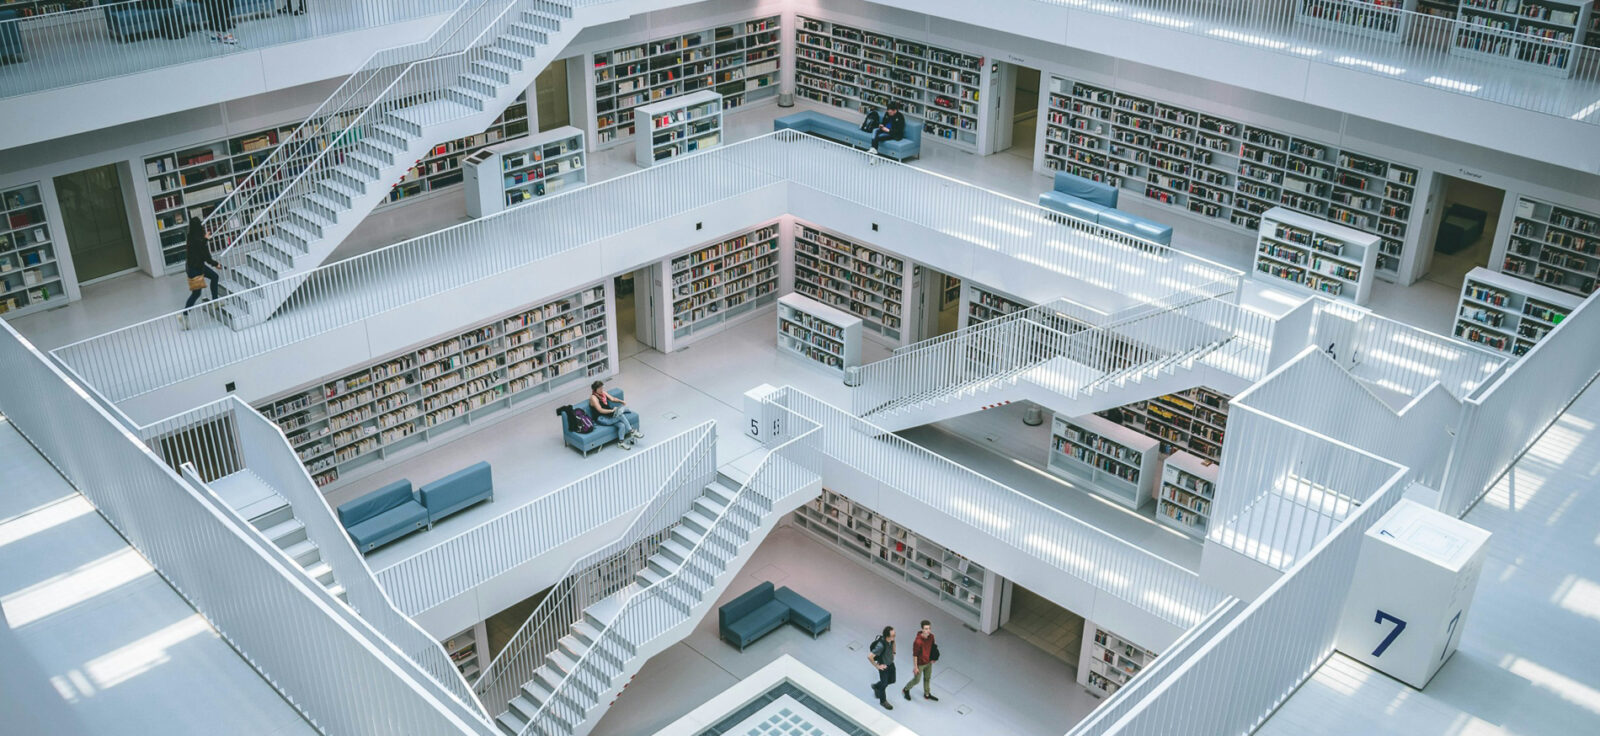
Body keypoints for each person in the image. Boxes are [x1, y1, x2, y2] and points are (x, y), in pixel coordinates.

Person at [181, 220, 222, 330]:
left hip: (193, 267)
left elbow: (198, 246)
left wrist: (205, 239)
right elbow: (206, 257)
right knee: (196, 294)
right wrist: (216, 264)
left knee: (214, 277)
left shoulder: (191, 237)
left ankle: (215, 301)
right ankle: (184, 314)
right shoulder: (199, 241)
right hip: (196, 269)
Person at [590, 380, 642, 449]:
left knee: (622, 425)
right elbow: (600, 410)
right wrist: (612, 410)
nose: (602, 390)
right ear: (595, 389)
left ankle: (621, 443)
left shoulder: (603, 393)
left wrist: (621, 401)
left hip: (608, 415)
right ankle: (631, 431)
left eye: (602, 388)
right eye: (600, 388)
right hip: (601, 418)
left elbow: (612, 399)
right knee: (620, 415)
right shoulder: (593, 398)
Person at [901, 620, 940, 702]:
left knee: (927, 678)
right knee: (917, 680)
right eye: (926, 629)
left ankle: (927, 694)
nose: (928, 631)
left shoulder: (931, 637)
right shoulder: (918, 642)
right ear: (922, 629)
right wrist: (915, 667)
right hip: (920, 664)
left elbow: (933, 647)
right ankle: (906, 689)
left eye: (929, 628)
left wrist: (933, 658)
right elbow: (915, 655)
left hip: (929, 662)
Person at [868, 625, 896, 709]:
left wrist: (894, 653)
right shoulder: (881, 645)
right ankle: (883, 701)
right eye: (893, 635)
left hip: (891, 664)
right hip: (883, 666)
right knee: (884, 684)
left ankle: (876, 686)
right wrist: (877, 666)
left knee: (892, 680)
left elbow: (894, 644)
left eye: (895, 635)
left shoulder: (891, 640)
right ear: (887, 636)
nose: (894, 637)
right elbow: (870, 656)